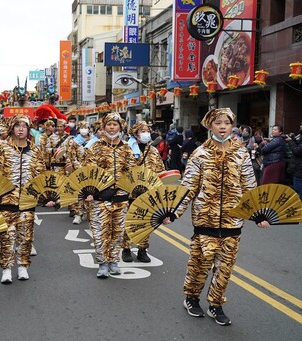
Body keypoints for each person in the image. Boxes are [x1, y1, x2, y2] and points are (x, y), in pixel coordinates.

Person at [163, 108, 269, 326]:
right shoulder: (199, 154)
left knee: (225, 267)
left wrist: (258, 215)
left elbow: (250, 187)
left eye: (227, 123)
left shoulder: (240, 153)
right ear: (209, 125)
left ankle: (216, 304)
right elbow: (188, 188)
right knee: (199, 264)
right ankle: (192, 298)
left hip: (233, 221)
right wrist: (173, 212)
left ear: (232, 126)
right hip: (205, 220)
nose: (222, 126)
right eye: (218, 122)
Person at [0, 114, 46, 284]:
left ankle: (23, 265)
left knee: (26, 236)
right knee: (7, 237)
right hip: (6, 201)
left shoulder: (35, 150)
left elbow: (40, 174)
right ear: (12, 128)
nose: (20, 129)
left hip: (28, 201)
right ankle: (6, 268)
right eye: (17, 125)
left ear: (29, 129)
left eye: (24, 126)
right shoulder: (3, 148)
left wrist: (43, 194)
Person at [83, 112, 136, 278]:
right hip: (100, 198)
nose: (112, 127)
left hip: (121, 198)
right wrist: (90, 192)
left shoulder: (126, 148)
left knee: (118, 232)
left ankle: (114, 260)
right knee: (100, 233)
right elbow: (88, 172)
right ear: (103, 127)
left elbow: (131, 171)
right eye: (109, 124)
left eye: (115, 124)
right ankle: (102, 263)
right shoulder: (95, 147)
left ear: (120, 127)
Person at [122, 121, 165, 263]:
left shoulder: (152, 150)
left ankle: (142, 249)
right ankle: (126, 248)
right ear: (135, 133)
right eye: (143, 131)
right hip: (130, 193)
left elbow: (160, 170)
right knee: (130, 221)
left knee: (146, 222)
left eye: (147, 130)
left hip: (148, 193)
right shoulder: (126, 149)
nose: (146, 133)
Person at [47, 118, 83, 224]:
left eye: (61, 126)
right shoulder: (51, 138)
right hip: (57, 166)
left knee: (70, 187)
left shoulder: (70, 138)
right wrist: (55, 151)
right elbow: (46, 149)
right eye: (57, 126)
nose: (59, 128)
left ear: (64, 127)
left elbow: (76, 149)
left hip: (68, 166)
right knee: (60, 187)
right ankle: (64, 203)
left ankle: (74, 209)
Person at [285, 122, 302, 199]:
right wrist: (294, 140)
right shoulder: (300, 137)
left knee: (298, 190)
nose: (300, 126)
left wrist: (291, 141)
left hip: (299, 169)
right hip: (297, 167)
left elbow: (297, 151)